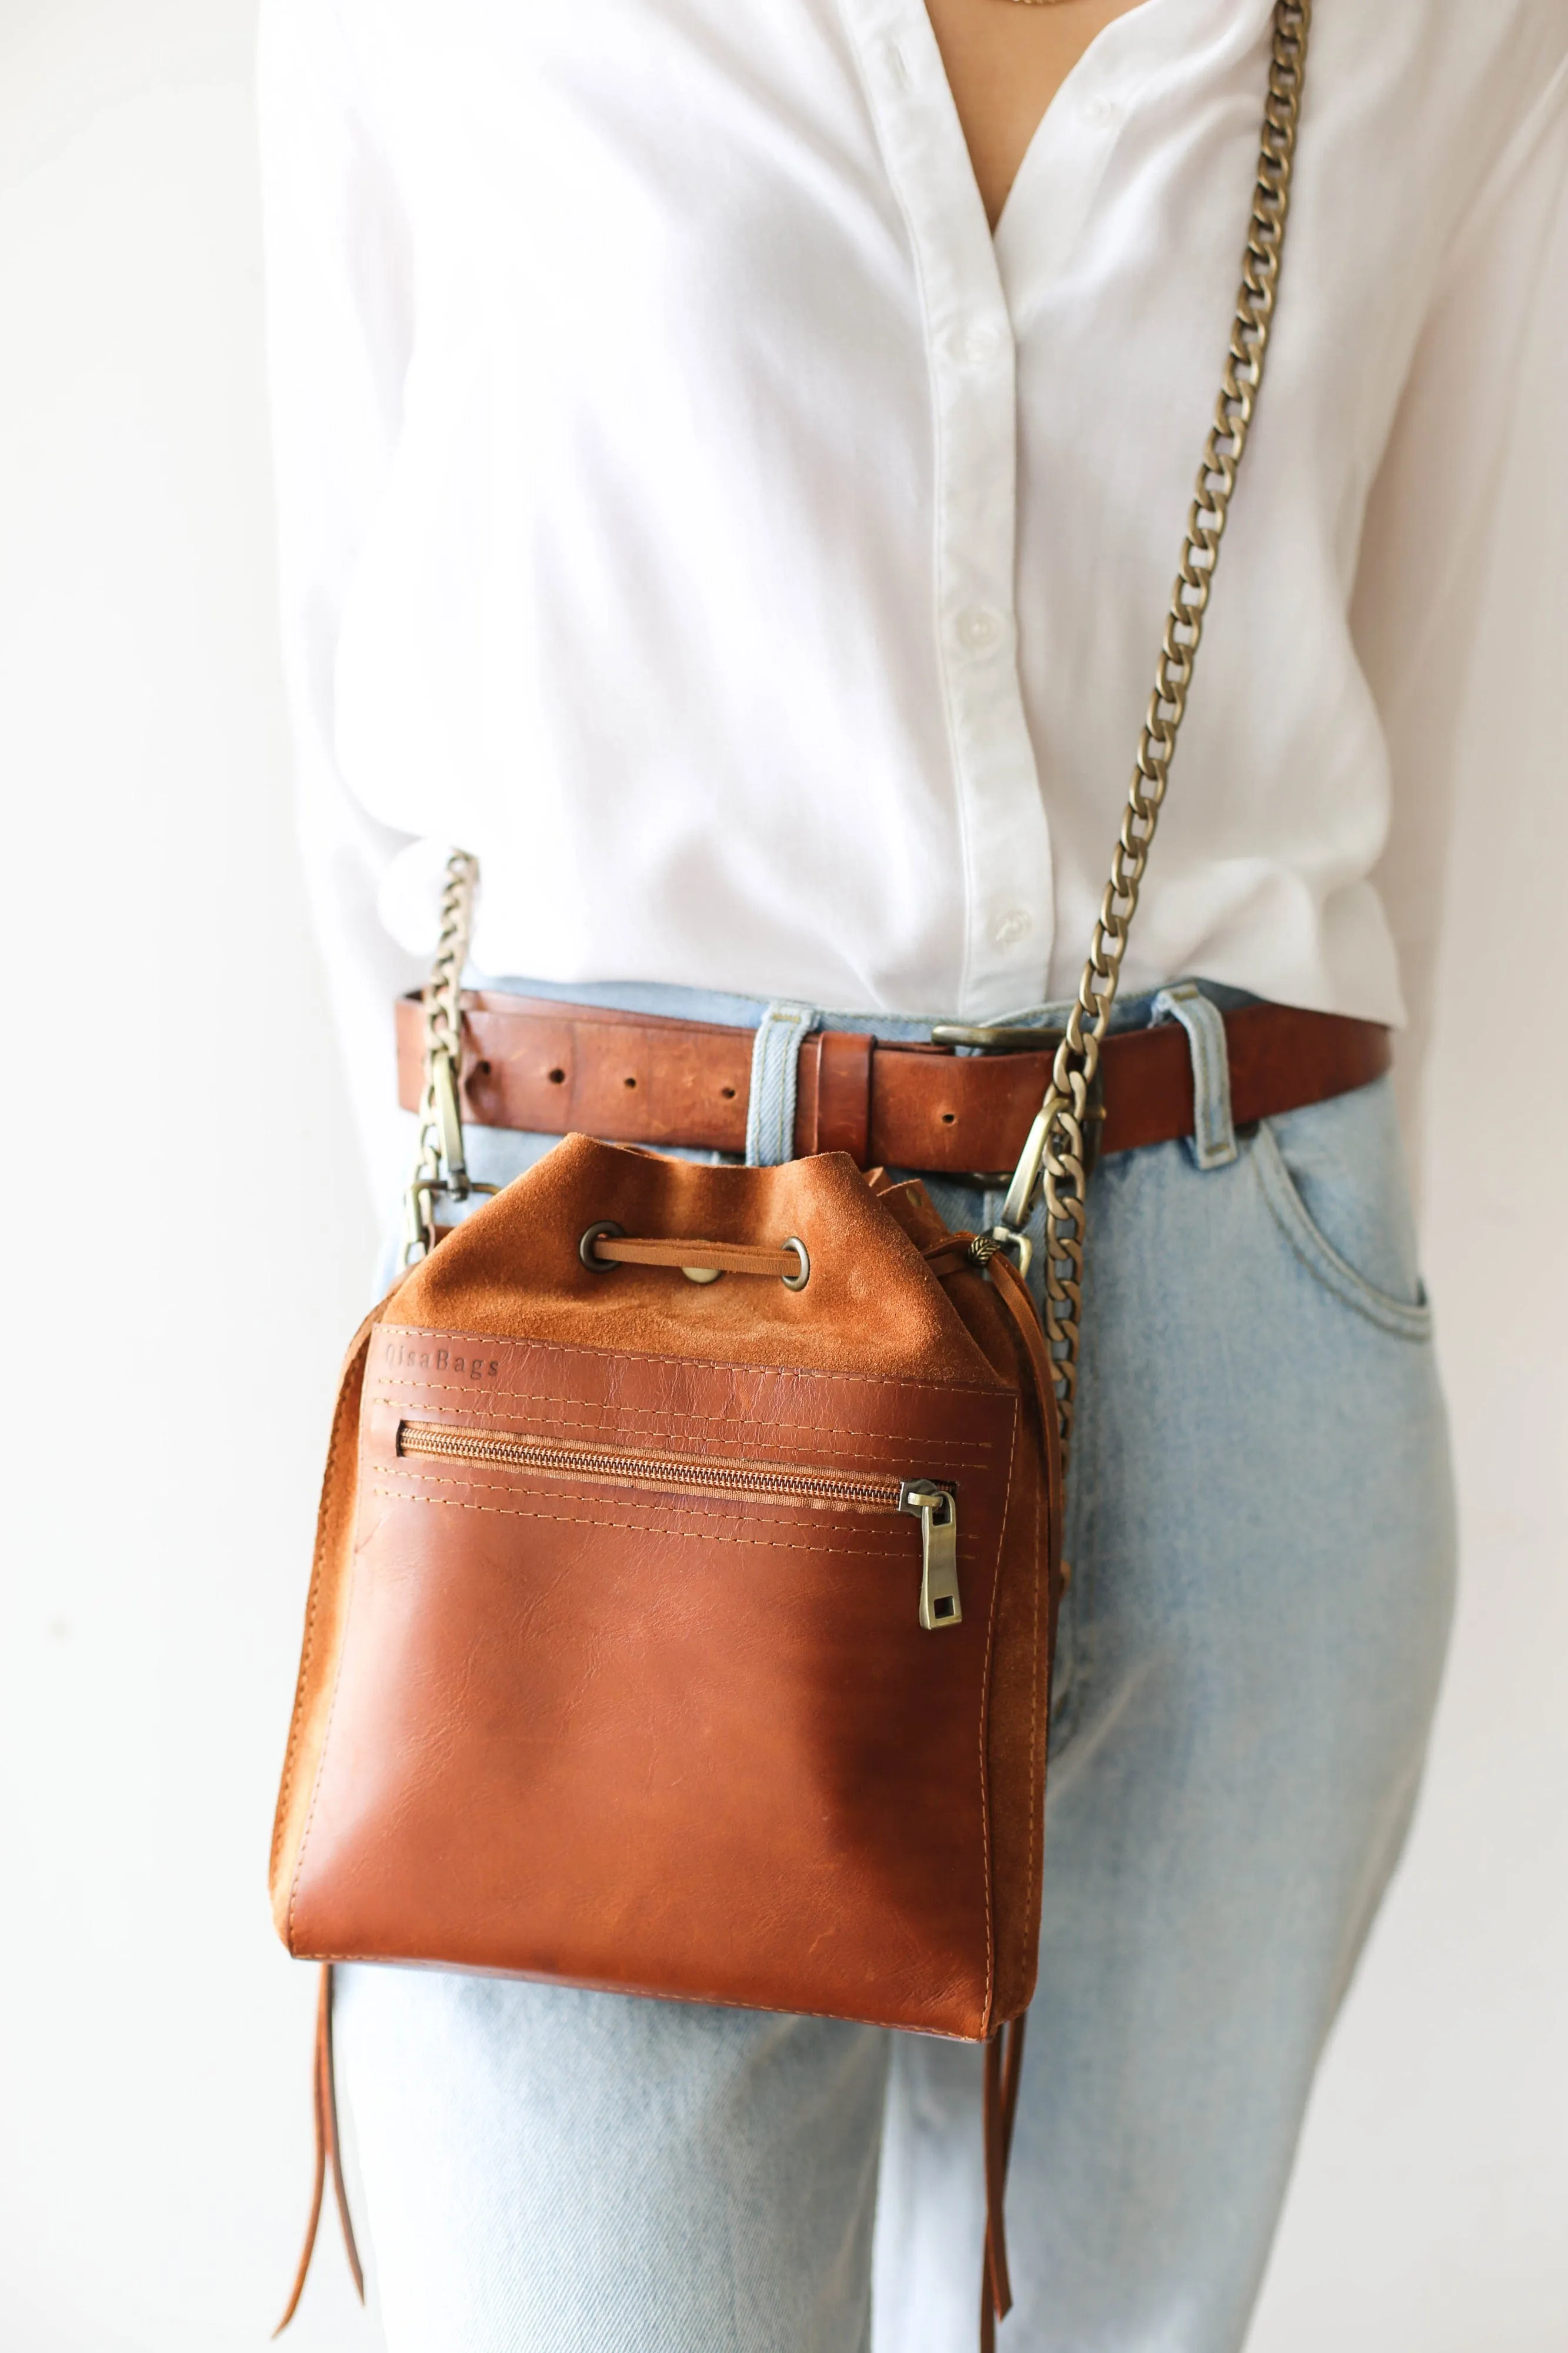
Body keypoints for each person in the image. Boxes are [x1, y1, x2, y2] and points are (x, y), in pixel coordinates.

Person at [256, 2, 1567, 2347]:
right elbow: (357, 698)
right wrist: (480, 1290)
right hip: (609, 1353)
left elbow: (1414, 652)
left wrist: (1332, 1259)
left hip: (1236, 1328)